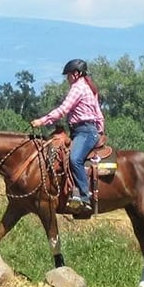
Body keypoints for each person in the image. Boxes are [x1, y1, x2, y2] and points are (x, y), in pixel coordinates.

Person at [30, 59, 105, 211]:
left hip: (84, 131)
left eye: (68, 75)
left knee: (75, 158)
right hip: (84, 130)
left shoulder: (78, 88)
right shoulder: (89, 88)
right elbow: (98, 113)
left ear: (76, 74)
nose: (67, 79)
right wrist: (100, 130)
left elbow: (63, 110)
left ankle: (84, 197)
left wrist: (42, 121)